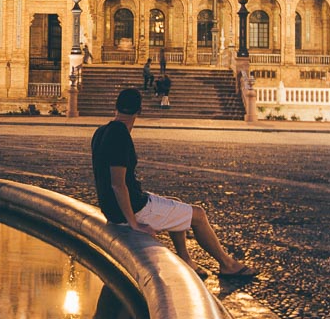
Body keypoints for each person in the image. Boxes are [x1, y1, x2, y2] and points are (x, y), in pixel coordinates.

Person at [91, 87, 255, 279]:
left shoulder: (101, 132)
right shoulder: (120, 136)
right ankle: (227, 264)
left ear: (116, 108)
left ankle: (186, 258)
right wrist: (133, 223)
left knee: (175, 203)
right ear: (139, 111)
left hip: (114, 208)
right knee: (198, 215)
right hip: (132, 209)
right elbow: (118, 184)